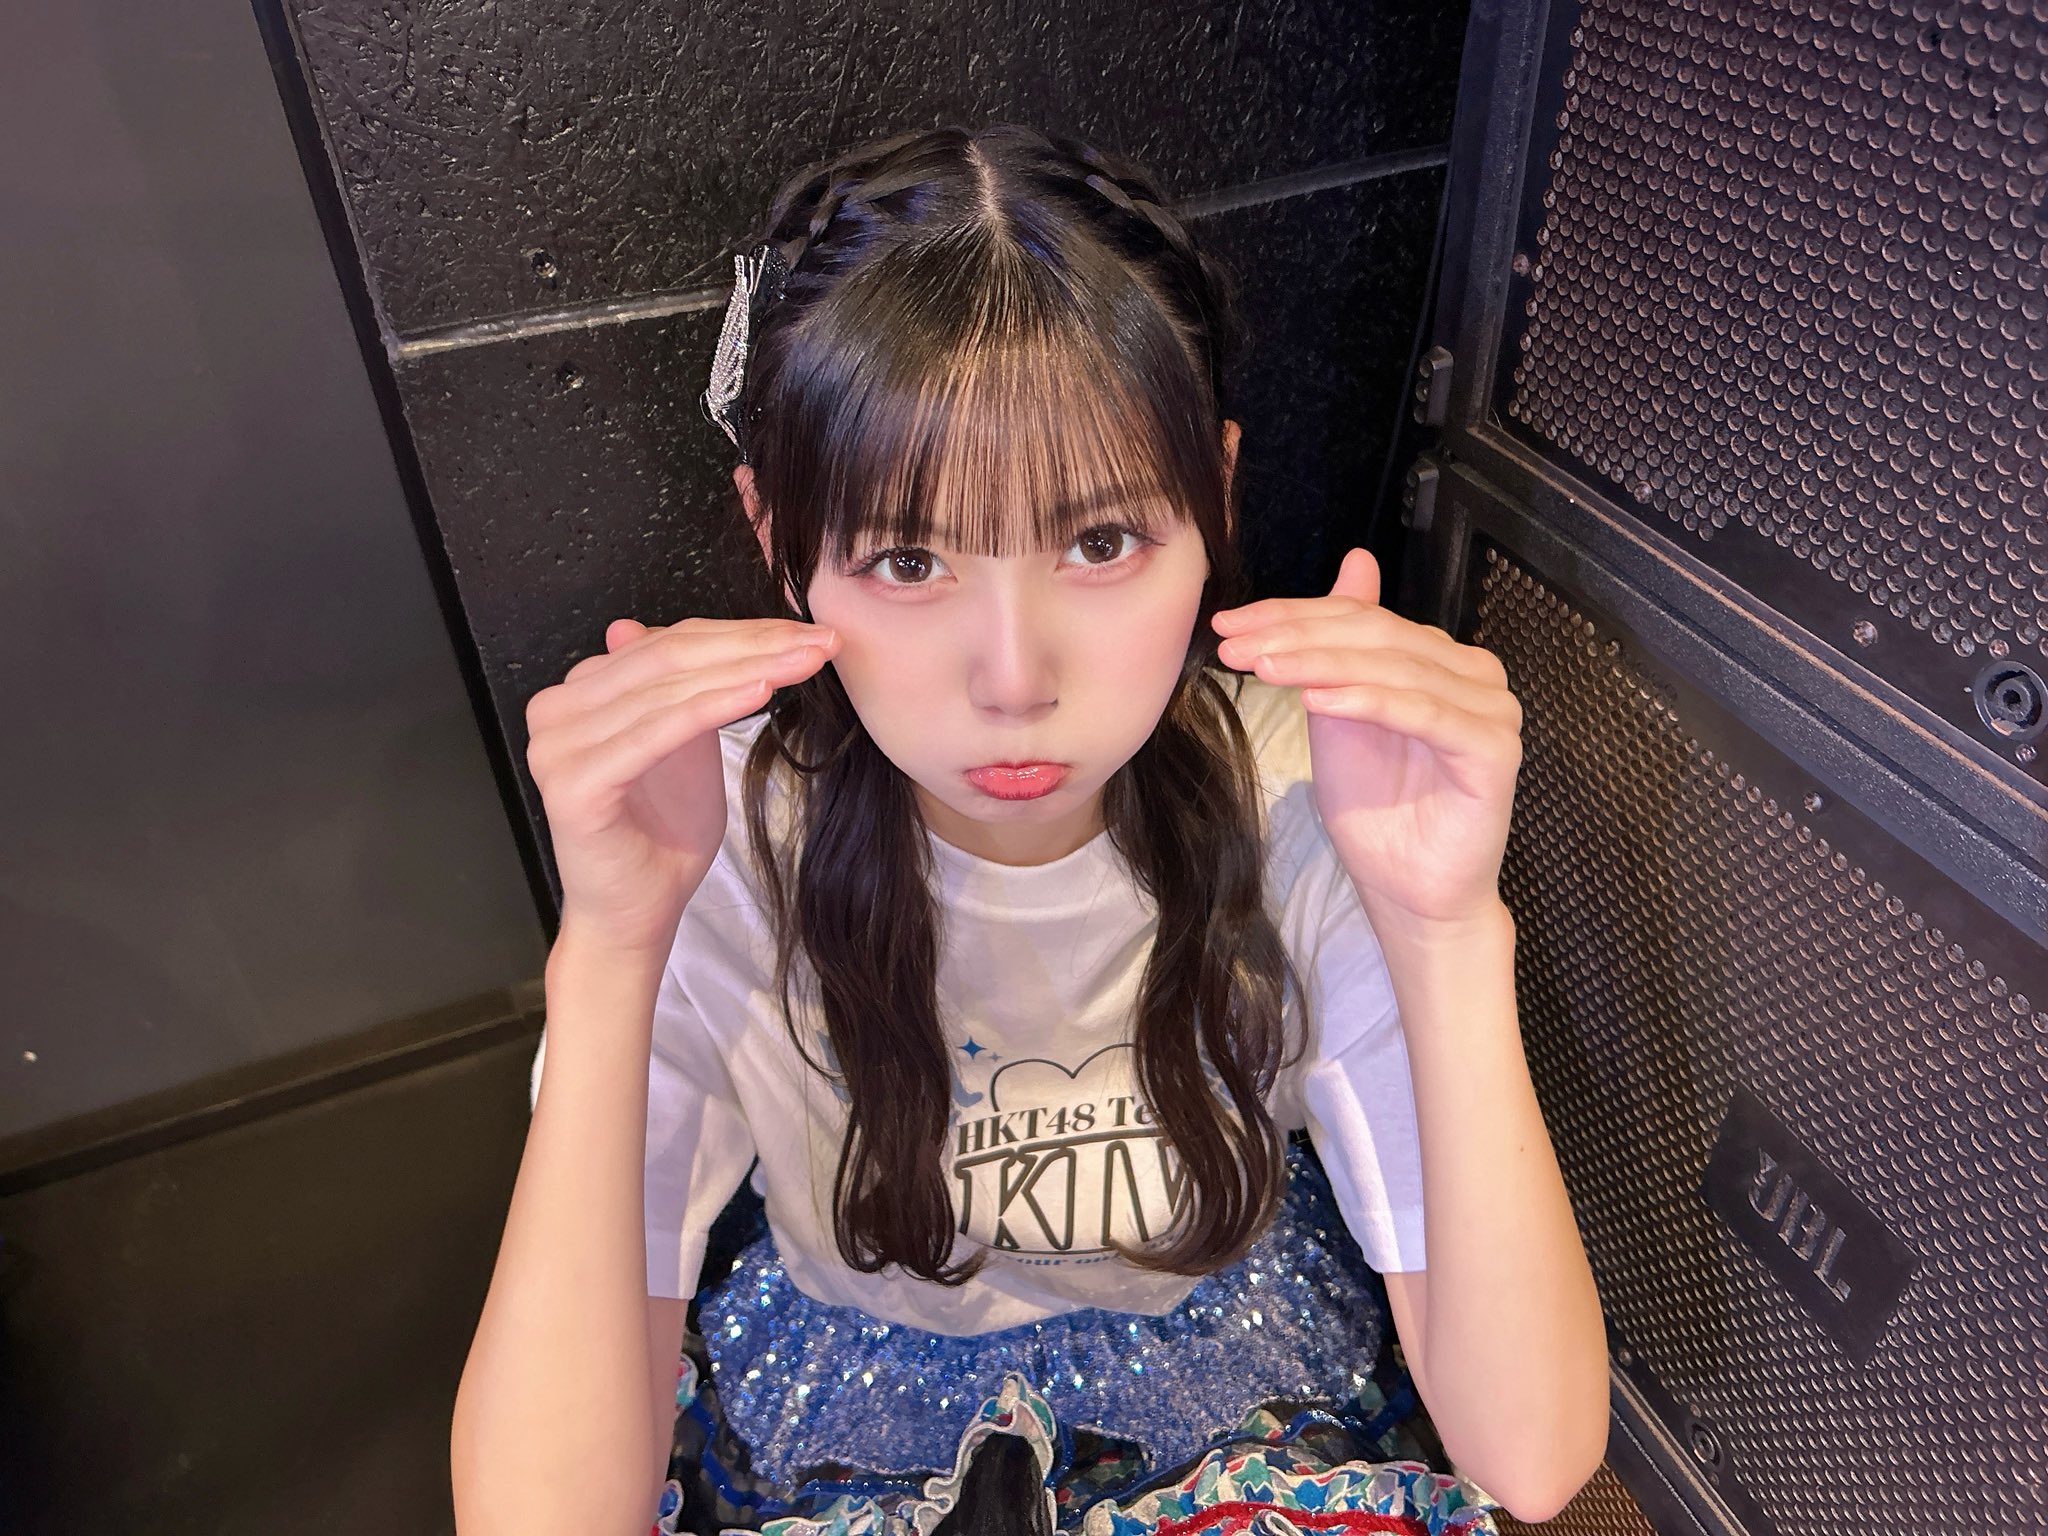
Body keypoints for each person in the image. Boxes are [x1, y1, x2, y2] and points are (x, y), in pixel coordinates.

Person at [449, 124, 1607, 1536]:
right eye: (908, 558)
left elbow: (1534, 1455)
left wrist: (1445, 927)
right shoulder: (716, 827)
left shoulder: (1313, 791)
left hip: (1220, 1376)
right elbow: (542, 1518)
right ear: (776, 533)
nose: (1014, 680)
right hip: (856, 1402)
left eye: (1101, 542)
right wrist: (610, 947)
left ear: (1216, 492)